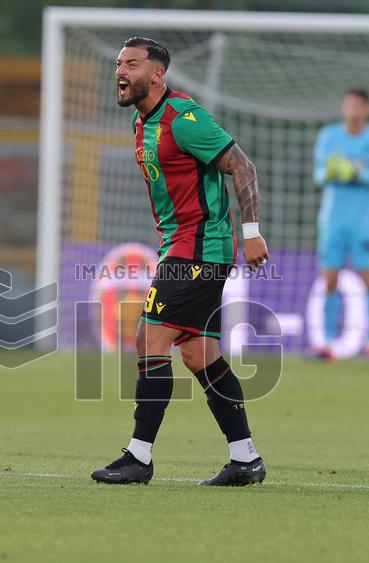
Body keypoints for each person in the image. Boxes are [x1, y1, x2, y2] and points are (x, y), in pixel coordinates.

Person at [90, 37, 270, 487]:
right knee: (198, 353)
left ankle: (139, 457)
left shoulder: (184, 119)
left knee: (149, 337)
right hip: (183, 246)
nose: (120, 71)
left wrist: (251, 232)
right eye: (118, 64)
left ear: (157, 74)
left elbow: (242, 166)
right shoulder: (141, 121)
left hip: (200, 247)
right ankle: (245, 459)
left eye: (131, 64)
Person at [312, 89, 369, 360]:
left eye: (358, 105)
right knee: (330, 279)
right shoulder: (329, 136)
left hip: (365, 221)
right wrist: (332, 171)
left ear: (366, 109)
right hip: (333, 219)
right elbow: (319, 175)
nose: (353, 110)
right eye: (349, 104)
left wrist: (355, 171)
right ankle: (328, 344)